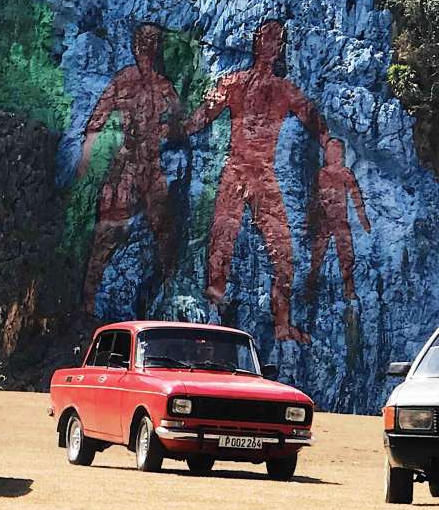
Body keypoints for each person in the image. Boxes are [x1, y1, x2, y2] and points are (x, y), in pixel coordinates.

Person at [186, 20, 327, 344]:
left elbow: (317, 125)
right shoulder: (234, 82)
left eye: (278, 40)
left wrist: (333, 157)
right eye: (267, 38)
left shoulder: (285, 90)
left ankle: (282, 325)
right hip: (236, 169)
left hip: (263, 174)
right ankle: (212, 316)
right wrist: (169, 130)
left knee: (283, 252)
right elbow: (200, 118)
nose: (272, 45)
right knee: (221, 243)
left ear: (281, 48)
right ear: (256, 42)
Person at [77, 24, 183, 313]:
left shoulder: (165, 87)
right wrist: (85, 159)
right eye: (142, 40)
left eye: (152, 41)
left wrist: (166, 130)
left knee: (163, 233)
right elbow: (97, 118)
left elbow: (178, 126)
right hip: (126, 165)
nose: (146, 47)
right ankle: (86, 305)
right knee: (107, 231)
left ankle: (172, 296)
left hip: (151, 168)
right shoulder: (124, 79)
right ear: (135, 45)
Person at [306, 138, 371, 301]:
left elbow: (357, 198)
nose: (334, 154)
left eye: (337, 151)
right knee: (317, 257)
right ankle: (309, 290)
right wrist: (309, 221)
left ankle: (348, 290)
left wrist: (364, 221)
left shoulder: (345, 173)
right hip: (324, 221)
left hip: (340, 221)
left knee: (347, 256)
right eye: (331, 151)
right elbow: (313, 199)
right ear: (327, 154)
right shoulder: (321, 174)